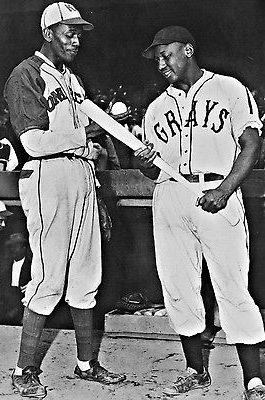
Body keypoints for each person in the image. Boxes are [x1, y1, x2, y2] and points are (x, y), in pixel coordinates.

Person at [134, 26, 265, 399]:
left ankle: (254, 378)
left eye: (166, 54)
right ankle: (195, 370)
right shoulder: (156, 107)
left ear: (188, 49)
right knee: (177, 287)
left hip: (217, 190)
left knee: (233, 288)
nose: (160, 63)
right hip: (170, 195)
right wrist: (144, 163)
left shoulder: (228, 88)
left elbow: (251, 144)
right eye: (156, 58)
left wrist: (226, 189)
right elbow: (154, 167)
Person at [4, 2, 126, 398]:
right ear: (47, 34)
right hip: (49, 176)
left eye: (79, 32)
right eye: (67, 31)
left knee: (87, 276)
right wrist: (86, 134)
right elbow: (32, 143)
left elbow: (88, 138)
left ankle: (86, 364)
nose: (75, 38)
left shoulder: (71, 79)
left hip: (81, 175)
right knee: (49, 276)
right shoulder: (27, 73)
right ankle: (24, 370)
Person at [0, 232, 32, 325]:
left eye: (16, 246)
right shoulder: (5, 266)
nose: (13, 249)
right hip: (7, 303)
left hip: (23, 304)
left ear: (24, 248)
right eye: (11, 246)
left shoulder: (32, 266)